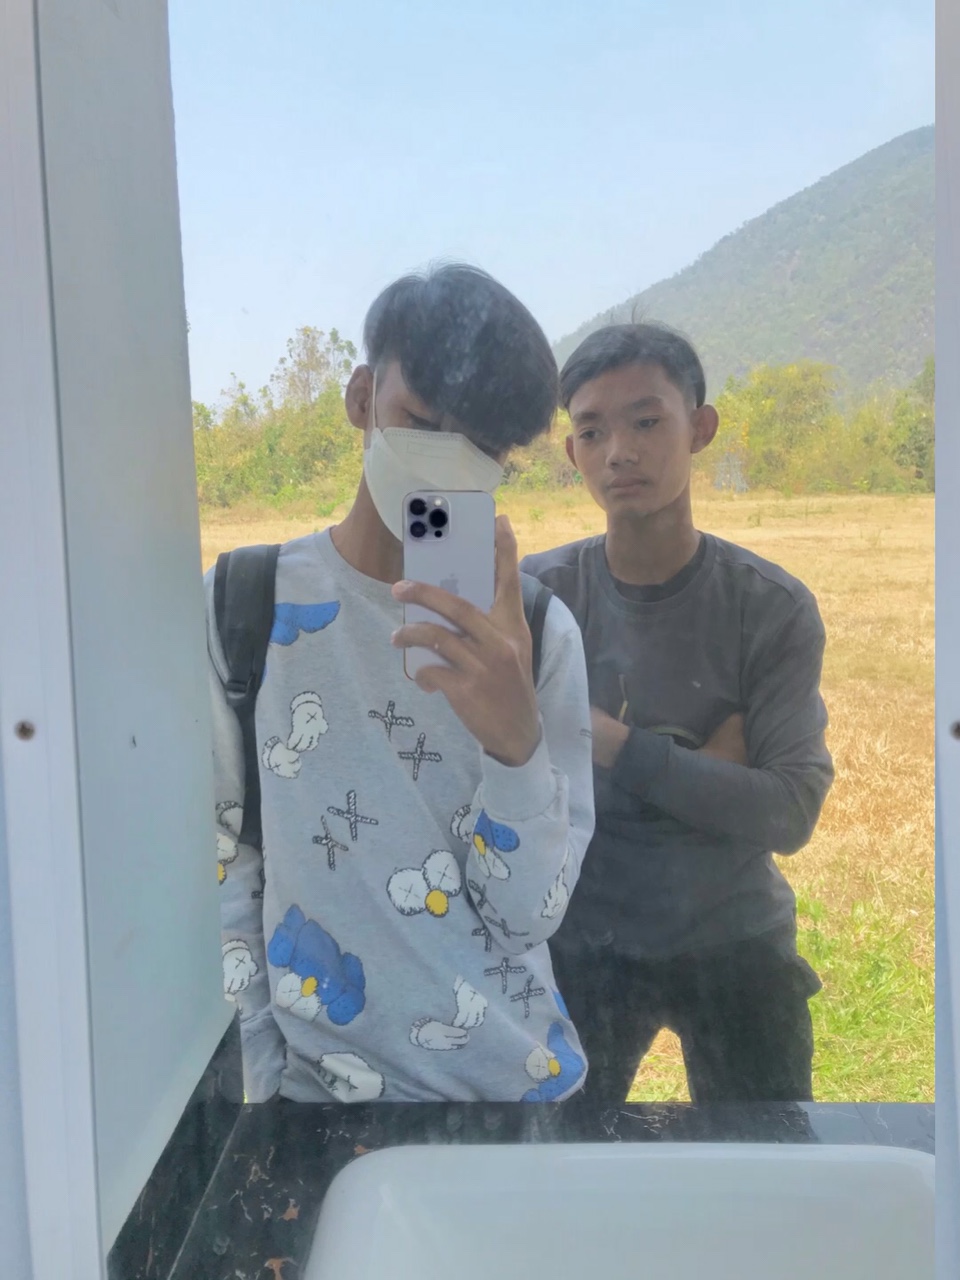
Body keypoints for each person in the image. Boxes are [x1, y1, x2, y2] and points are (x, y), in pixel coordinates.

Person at [207, 264, 595, 1104]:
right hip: (314, 1103)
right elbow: (225, 867)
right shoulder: (243, 605)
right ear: (361, 398)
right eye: (422, 423)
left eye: (482, 445)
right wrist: (261, 1091)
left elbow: (528, 917)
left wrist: (516, 746)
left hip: (514, 1095)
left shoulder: (534, 632)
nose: (446, 461)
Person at [521, 323, 833, 1103]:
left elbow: (789, 811)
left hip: (735, 938)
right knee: (556, 1166)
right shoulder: (537, 599)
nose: (619, 452)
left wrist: (604, 740)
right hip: (581, 940)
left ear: (701, 427)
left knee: (765, 1167)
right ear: (572, 453)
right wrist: (708, 774)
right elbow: (498, 773)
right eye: (592, 430)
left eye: (646, 421)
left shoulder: (769, 607)